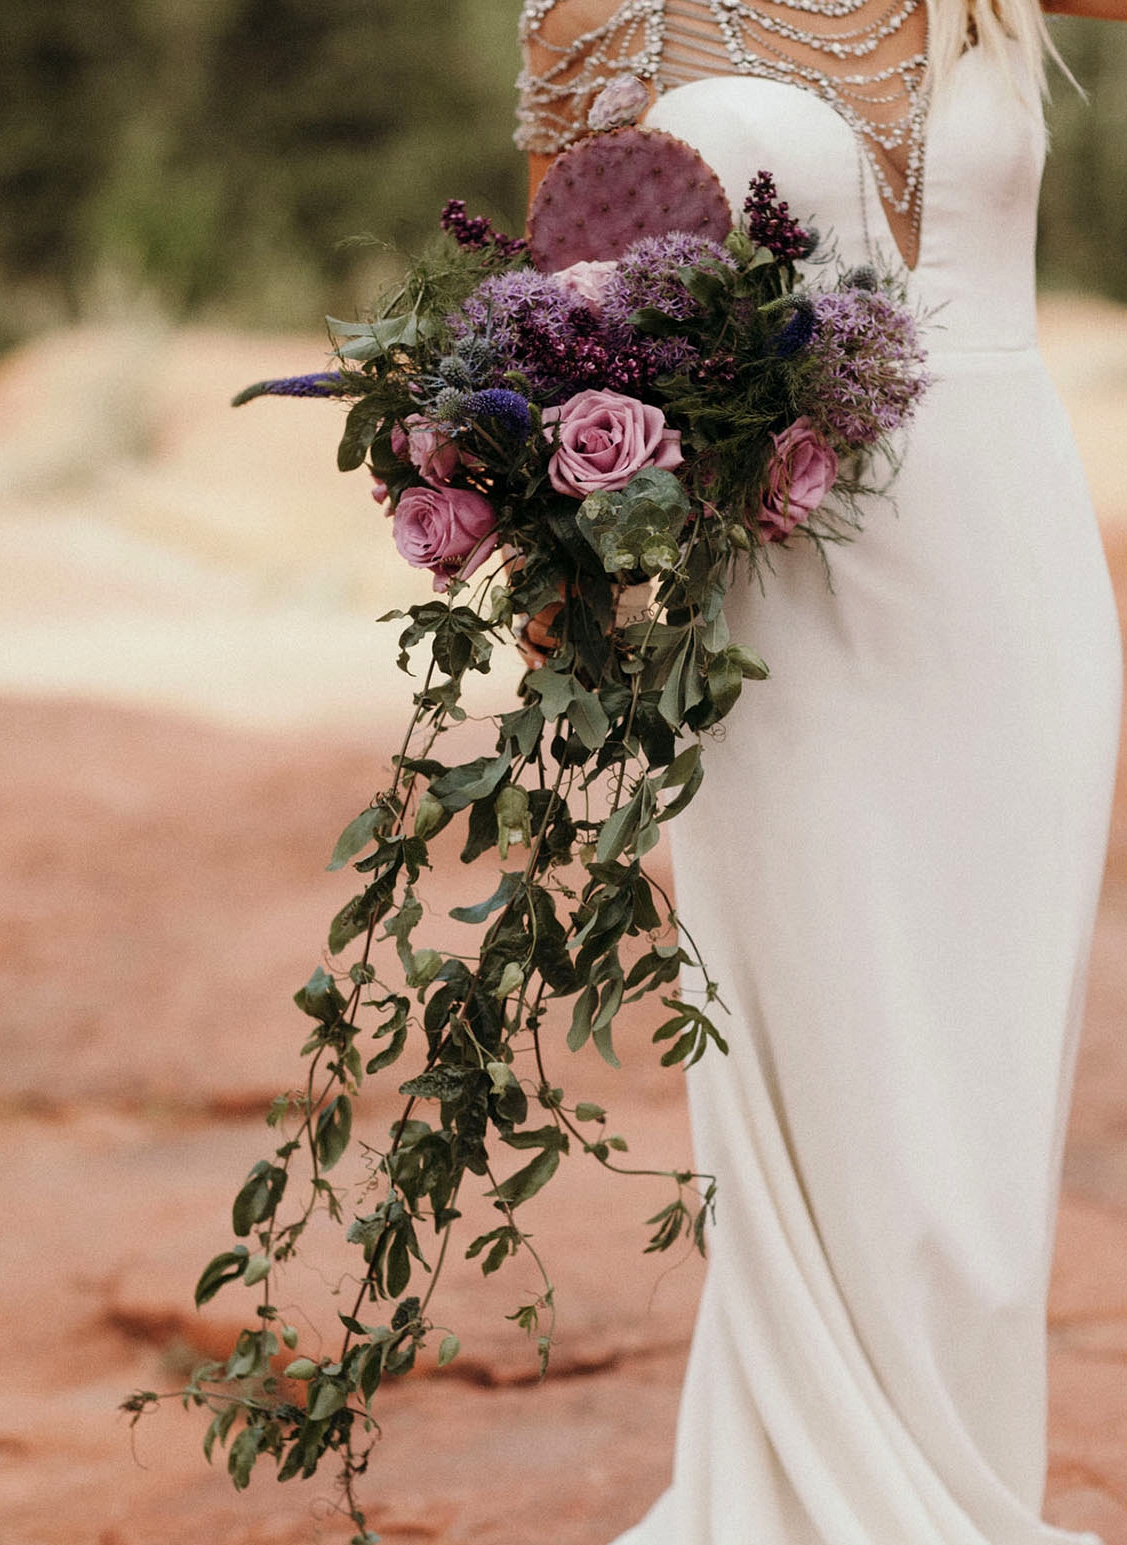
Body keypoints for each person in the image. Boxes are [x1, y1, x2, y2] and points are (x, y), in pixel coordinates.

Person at [514, 2, 1124, 1543]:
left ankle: (959, 1488)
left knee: (984, 1100)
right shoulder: (602, 8)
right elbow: (544, 314)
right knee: (830, 1057)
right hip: (781, 590)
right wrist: (560, 563)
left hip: (1020, 577)